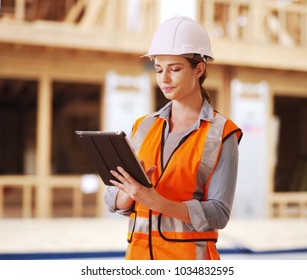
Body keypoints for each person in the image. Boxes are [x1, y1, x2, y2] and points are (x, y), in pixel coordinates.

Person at [104, 16, 243, 260]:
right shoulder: (143, 126)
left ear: (198, 69)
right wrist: (130, 194)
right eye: (158, 69)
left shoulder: (222, 133)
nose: (164, 79)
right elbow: (112, 197)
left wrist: (159, 203)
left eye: (175, 69)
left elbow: (219, 214)